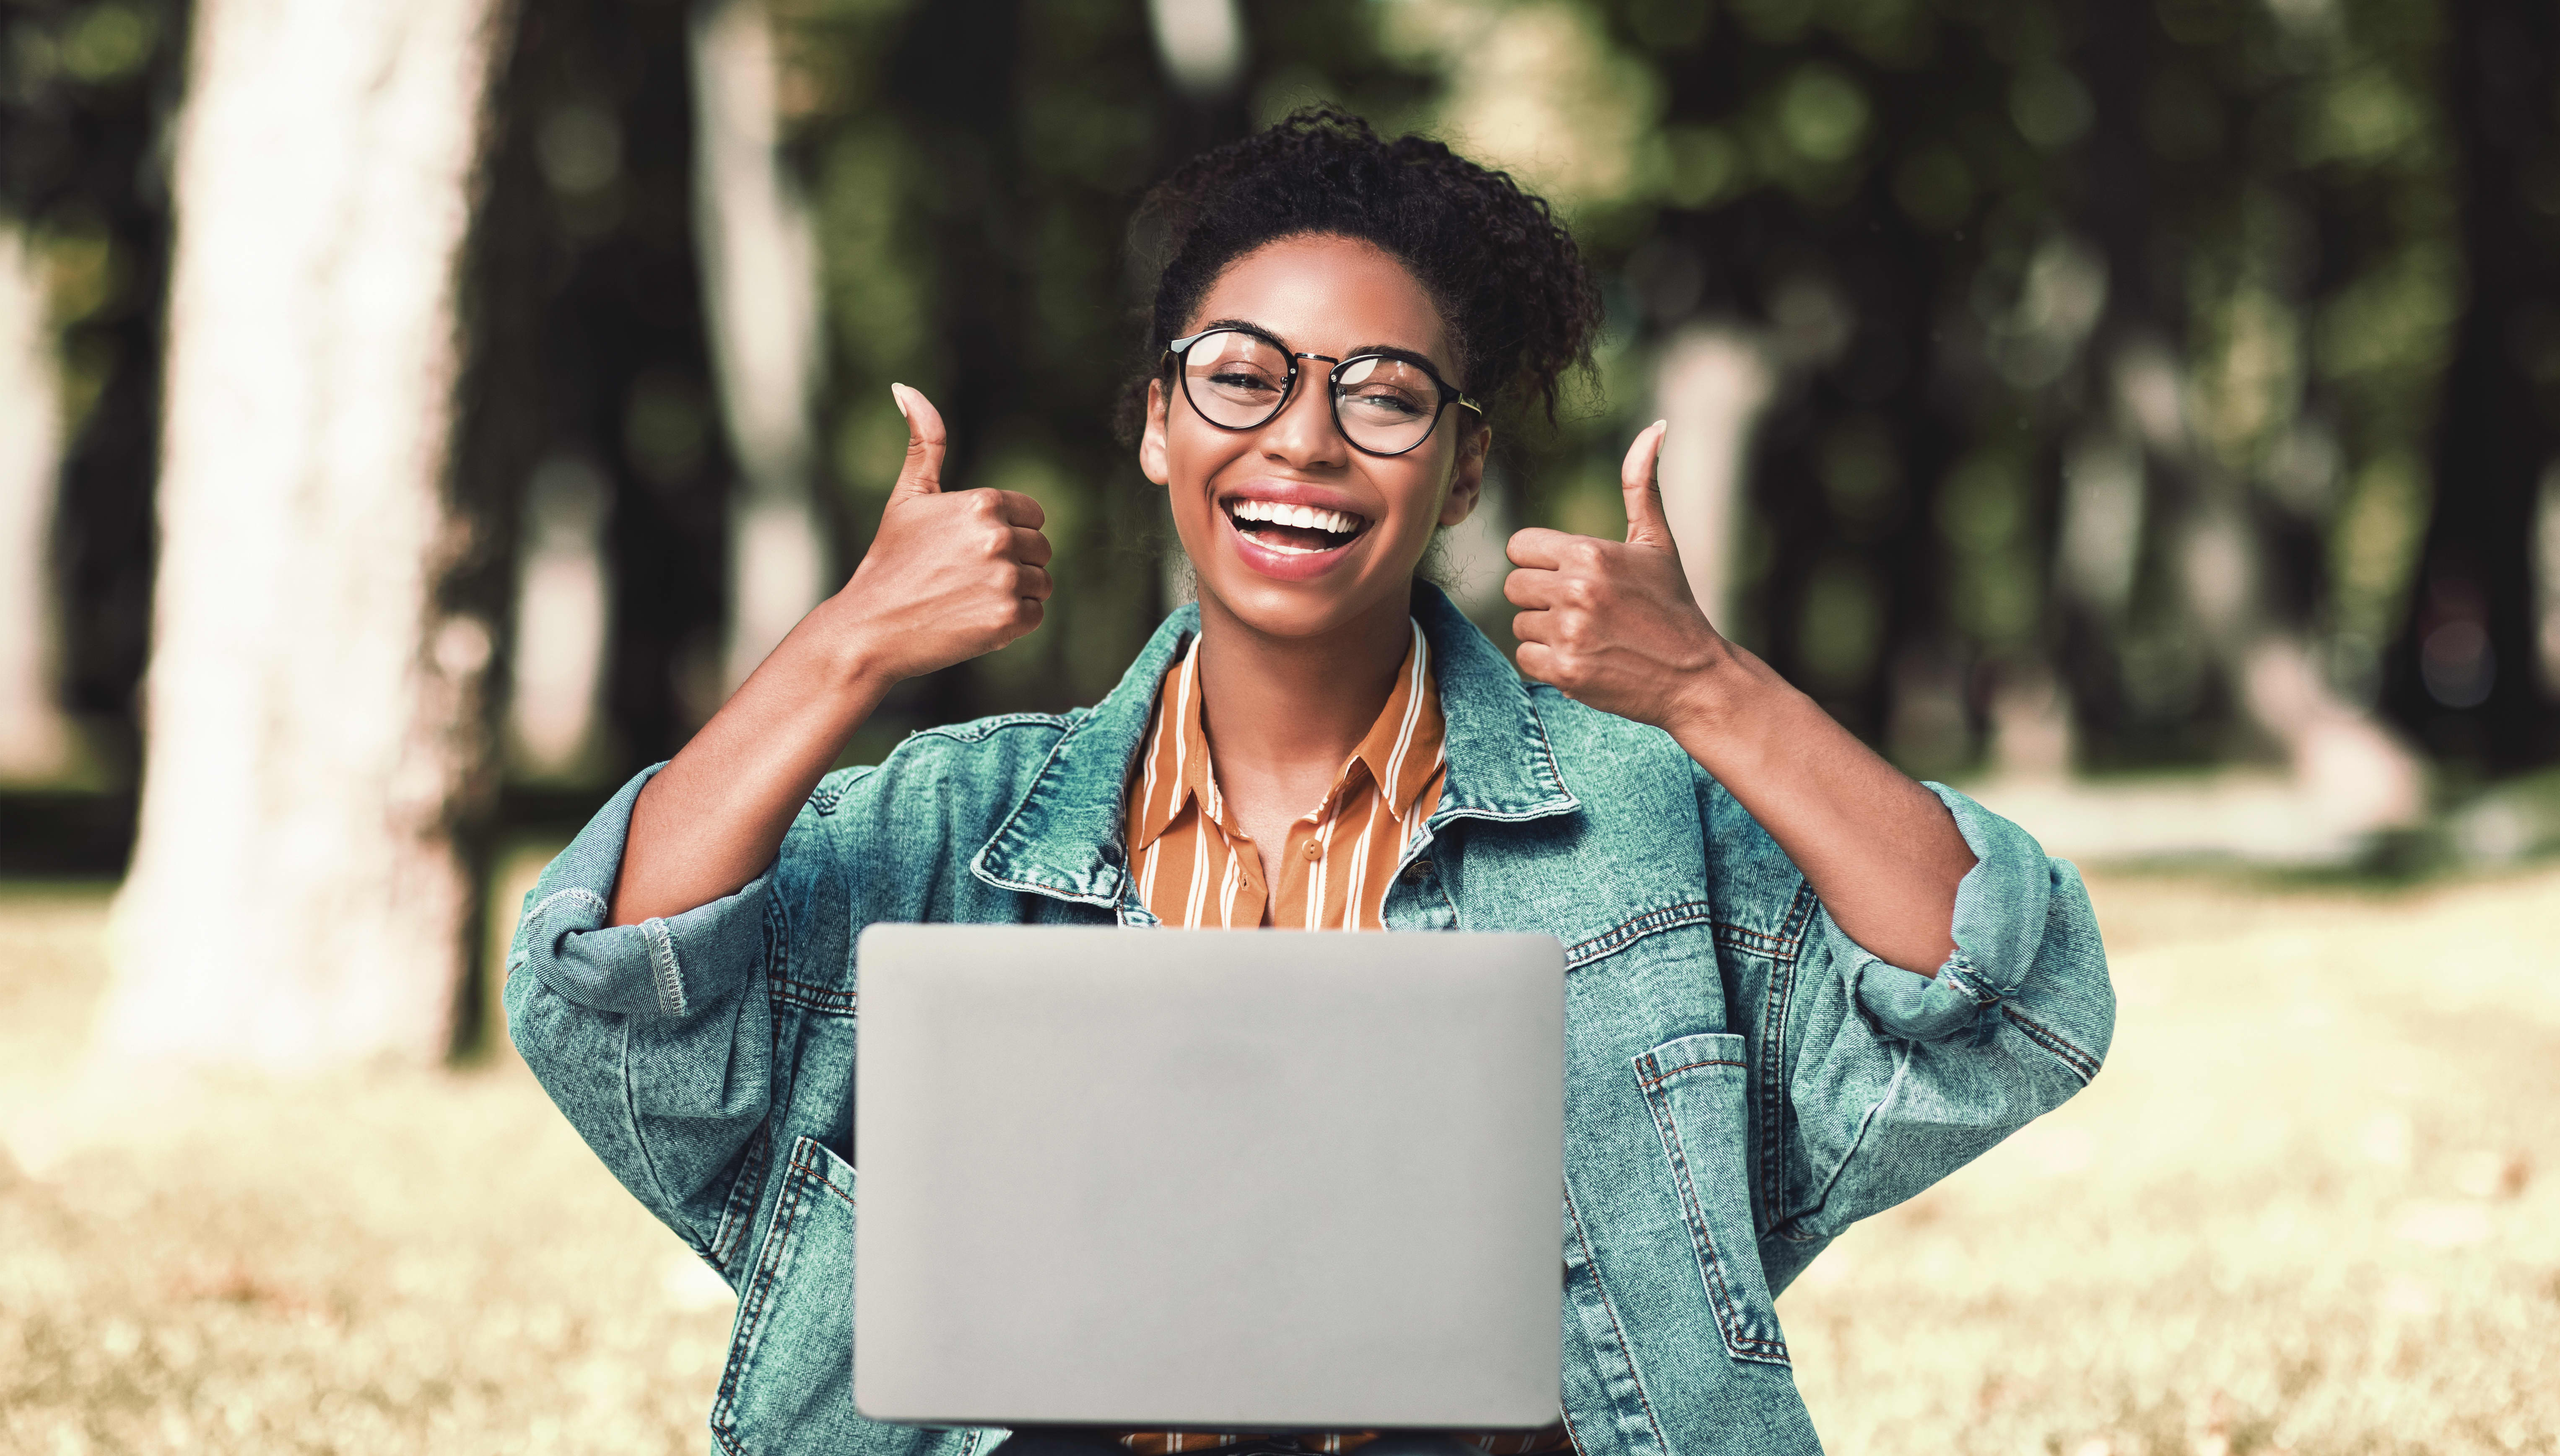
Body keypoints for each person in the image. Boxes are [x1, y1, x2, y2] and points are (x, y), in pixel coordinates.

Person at [507, 109, 2115, 1456]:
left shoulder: (1639, 825)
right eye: (1243, 375)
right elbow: (607, 996)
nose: (1306, 440)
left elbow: (2007, 992)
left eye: (1385, 394)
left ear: (1463, 466)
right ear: (1157, 423)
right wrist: (844, 647)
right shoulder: (946, 819)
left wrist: (1709, 687)